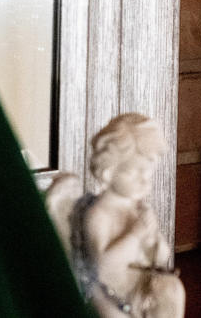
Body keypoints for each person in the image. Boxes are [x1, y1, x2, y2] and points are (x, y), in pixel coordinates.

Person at [73, 113, 185, 318]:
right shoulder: (98, 214)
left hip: (141, 288)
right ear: (109, 172)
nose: (145, 180)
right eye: (136, 172)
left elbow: (161, 257)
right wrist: (135, 235)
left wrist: (155, 244)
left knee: (173, 289)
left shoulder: (138, 209)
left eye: (149, 172)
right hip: (111, 296)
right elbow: (103, 267)